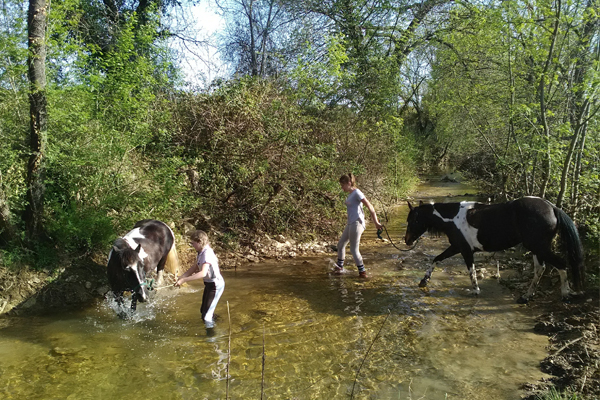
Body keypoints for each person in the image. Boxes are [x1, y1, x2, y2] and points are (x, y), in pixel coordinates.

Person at [333, 173, 383, 278]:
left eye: (342, 185)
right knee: (341, 244)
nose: (341, 187)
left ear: (349, 183)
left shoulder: (357, 193)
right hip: (351, 223)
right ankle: (339, 267)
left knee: (354, 249)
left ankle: (362, 272)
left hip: (357, 223)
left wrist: (376, 223)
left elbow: (369, 206)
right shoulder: (351, 194)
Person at [175, 230, 224, 329]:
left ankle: (212, 340)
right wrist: (182, 277)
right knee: (203, 311)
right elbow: (194, 267)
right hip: (209, 285)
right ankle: (219, 322)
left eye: (193, 243)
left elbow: (203, 273)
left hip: (215, 285)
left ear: (199, 242)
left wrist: (184, 280)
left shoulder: (207, 253)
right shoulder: (200, 252)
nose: (192, 245)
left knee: (206, 317)